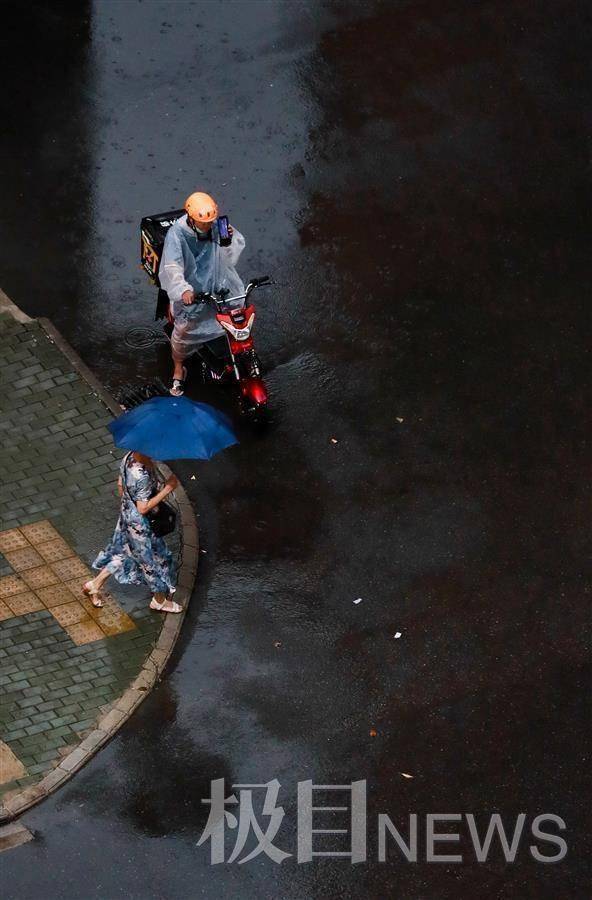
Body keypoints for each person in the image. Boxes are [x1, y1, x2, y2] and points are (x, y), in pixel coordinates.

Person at [158, 190, 246, 396]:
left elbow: (230, 255)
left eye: (211, 222)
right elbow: (172, 266)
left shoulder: (216, 226)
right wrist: (183, 289)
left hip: (217, 284)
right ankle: (179, 368)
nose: (208, 226)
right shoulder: (177, 235)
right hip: (192, 292)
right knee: (184, 331)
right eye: (204, 223)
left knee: (236, 317)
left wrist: (229, 241)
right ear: (191, 219)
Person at [82, 451, 182, 614]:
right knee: (153, 561)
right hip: (142, 525)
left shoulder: (129, 456)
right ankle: (159, 601)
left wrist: (129, 506)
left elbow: (121, 485)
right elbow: (143, 508)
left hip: (128, 515)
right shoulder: (140, 474)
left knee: (125, 552)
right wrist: (168, 488)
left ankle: (94, 585)